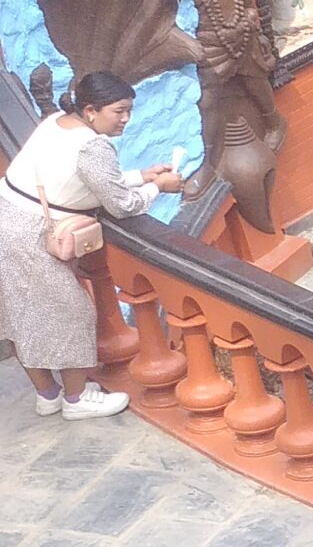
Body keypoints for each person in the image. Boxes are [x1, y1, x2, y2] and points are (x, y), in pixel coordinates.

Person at [1, 71, 188, 420]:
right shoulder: (94, 146)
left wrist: (140, 176)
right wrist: (160, 187)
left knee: (19, 314)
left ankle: (48, 394)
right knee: (73, 312)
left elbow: (79, 179)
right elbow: (121, 205)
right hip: (31, 234)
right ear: (91, 110)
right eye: (119, 111)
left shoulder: (57, 121)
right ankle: (75, 400)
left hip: (7, 218)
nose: (126, 119)